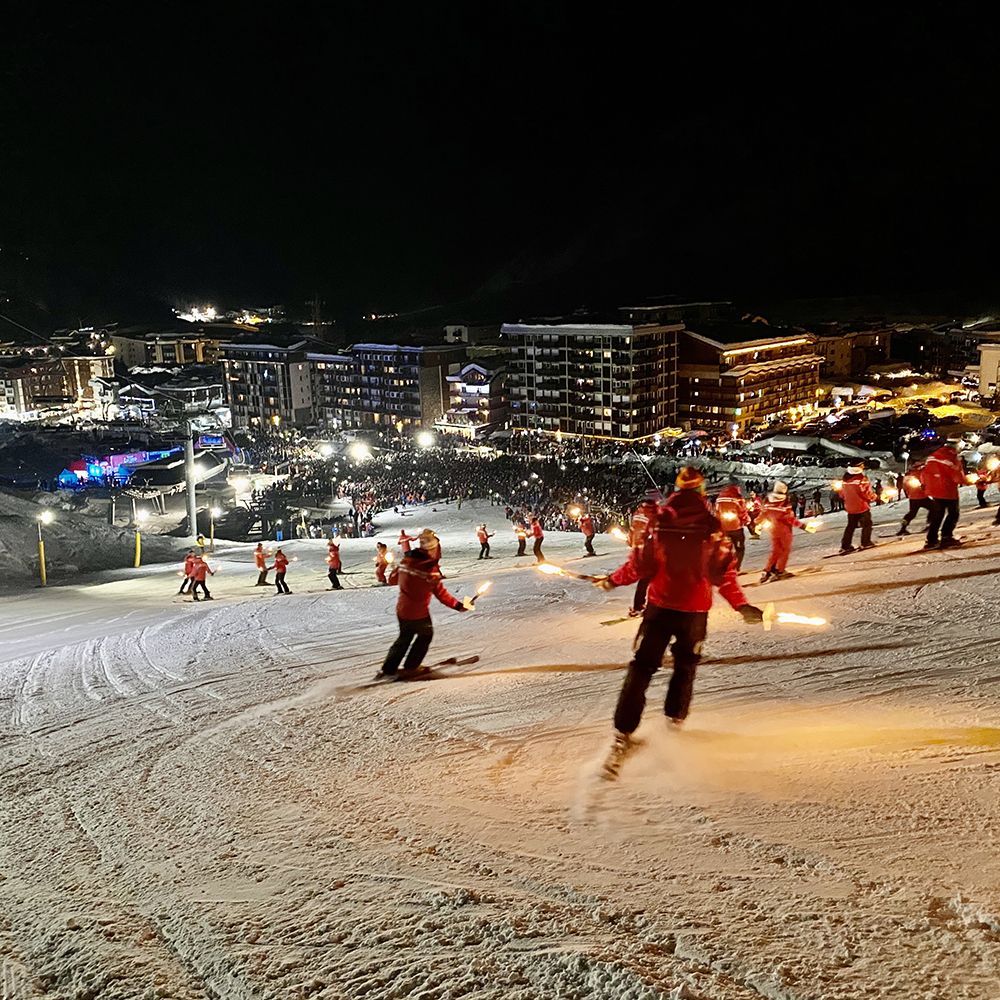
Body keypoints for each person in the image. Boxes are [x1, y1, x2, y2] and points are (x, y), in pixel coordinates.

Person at [594, 465, 763, 778]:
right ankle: (675, 721)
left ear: (677, 489)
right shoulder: (713, 527)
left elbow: (639, 566)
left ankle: (623, 734)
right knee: (685, 666)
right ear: (701, 492)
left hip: (659, 608)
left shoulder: (660, 523)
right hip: (694, 611)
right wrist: (742, 605)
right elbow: (724, 574)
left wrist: (612, 581)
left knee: (642, 667)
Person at [379, 528, 470, 677]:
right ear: (431, 549)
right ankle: (411, 667)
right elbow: (441, 594)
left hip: (402, 610)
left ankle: (389, 668)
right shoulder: (429, 568)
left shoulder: (407, 560)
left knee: (404, 637)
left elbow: (393, 579)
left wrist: (398, 569)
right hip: (418, 613)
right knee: (425, 635)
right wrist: (458, 606)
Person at [758, 482, 807, 582]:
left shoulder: (768, 501)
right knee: (785, 550)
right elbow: (789, 519)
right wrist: (802, 526)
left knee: (775, 550)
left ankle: (767, 569)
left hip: (773, 529)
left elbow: (763, 514)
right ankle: (779, 570)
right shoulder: (784, 502)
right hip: (784, 530)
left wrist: (757, 522)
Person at [920, 444, 965, 549]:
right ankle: (946, 536)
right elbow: (957, 476)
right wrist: (967, 480)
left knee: (938, 515)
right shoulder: (951, 457)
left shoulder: (933, 456)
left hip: (933, 490)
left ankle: (931, 539)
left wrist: (926, 486)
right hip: (947, 489)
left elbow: (924, 473)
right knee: (953, 513)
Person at [627, 490, 662, 617]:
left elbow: (632, 530)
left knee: (645, 579)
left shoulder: (638, 512)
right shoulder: (652, 514)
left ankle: (639, 604)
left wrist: (632, 543)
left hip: (639, 550)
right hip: (649, 551)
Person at [838, 463, 877, 553]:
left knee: (850, 526)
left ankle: (845, 545)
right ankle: (866, 542)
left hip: (850, 507)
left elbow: (841, 494)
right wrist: (874, 497)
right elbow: (866, 492)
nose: (863, 467)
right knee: (867, 524)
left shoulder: (845, 479)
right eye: (862, 465)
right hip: (861, 506)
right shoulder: (861, 479)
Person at [713, 479, 750, 570]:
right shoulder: (737, 497)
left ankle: (725, 568)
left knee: (726, 548)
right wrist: (746, 520)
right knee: (739, 548)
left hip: (723, 528)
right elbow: (742, 512)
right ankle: (736, 568)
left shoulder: (719, 498)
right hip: (736, 527)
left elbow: (716, 512)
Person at [898, 463, 931, 534]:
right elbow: (923, 484)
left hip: (913, 497)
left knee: (912, 513)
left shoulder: (908, 475)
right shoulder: (918, 474)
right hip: (921, 496)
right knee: (934, 509)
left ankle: (903, 527)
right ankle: (930, 524)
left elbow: (905, 486)